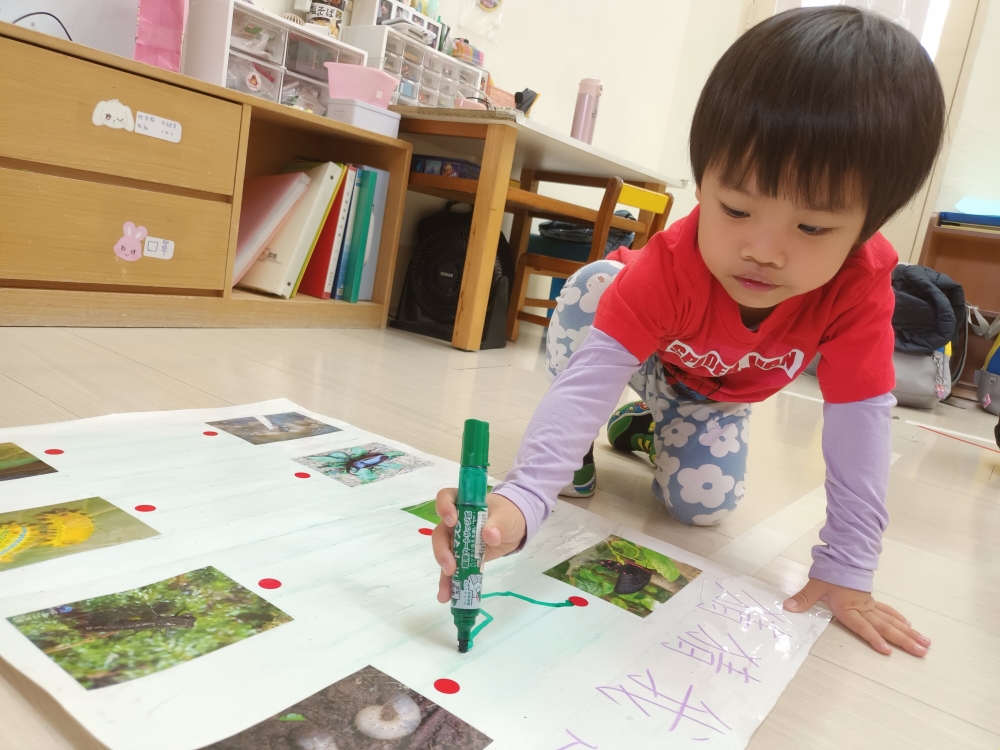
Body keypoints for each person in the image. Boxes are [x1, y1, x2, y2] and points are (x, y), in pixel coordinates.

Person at [431, 6, 945, 657]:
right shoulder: (671, 265)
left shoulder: (861, 284)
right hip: (636, 356)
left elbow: (860, 421)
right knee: (596, 287)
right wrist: (524, 498)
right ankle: (578, 449)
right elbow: (590, 381)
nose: (762, 251)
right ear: (703, 181)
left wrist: (849, 564)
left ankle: (644, 429)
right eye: (735, 209)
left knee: (704, 509)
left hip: (710, 393)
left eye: (812, 227)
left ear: (868, 225)